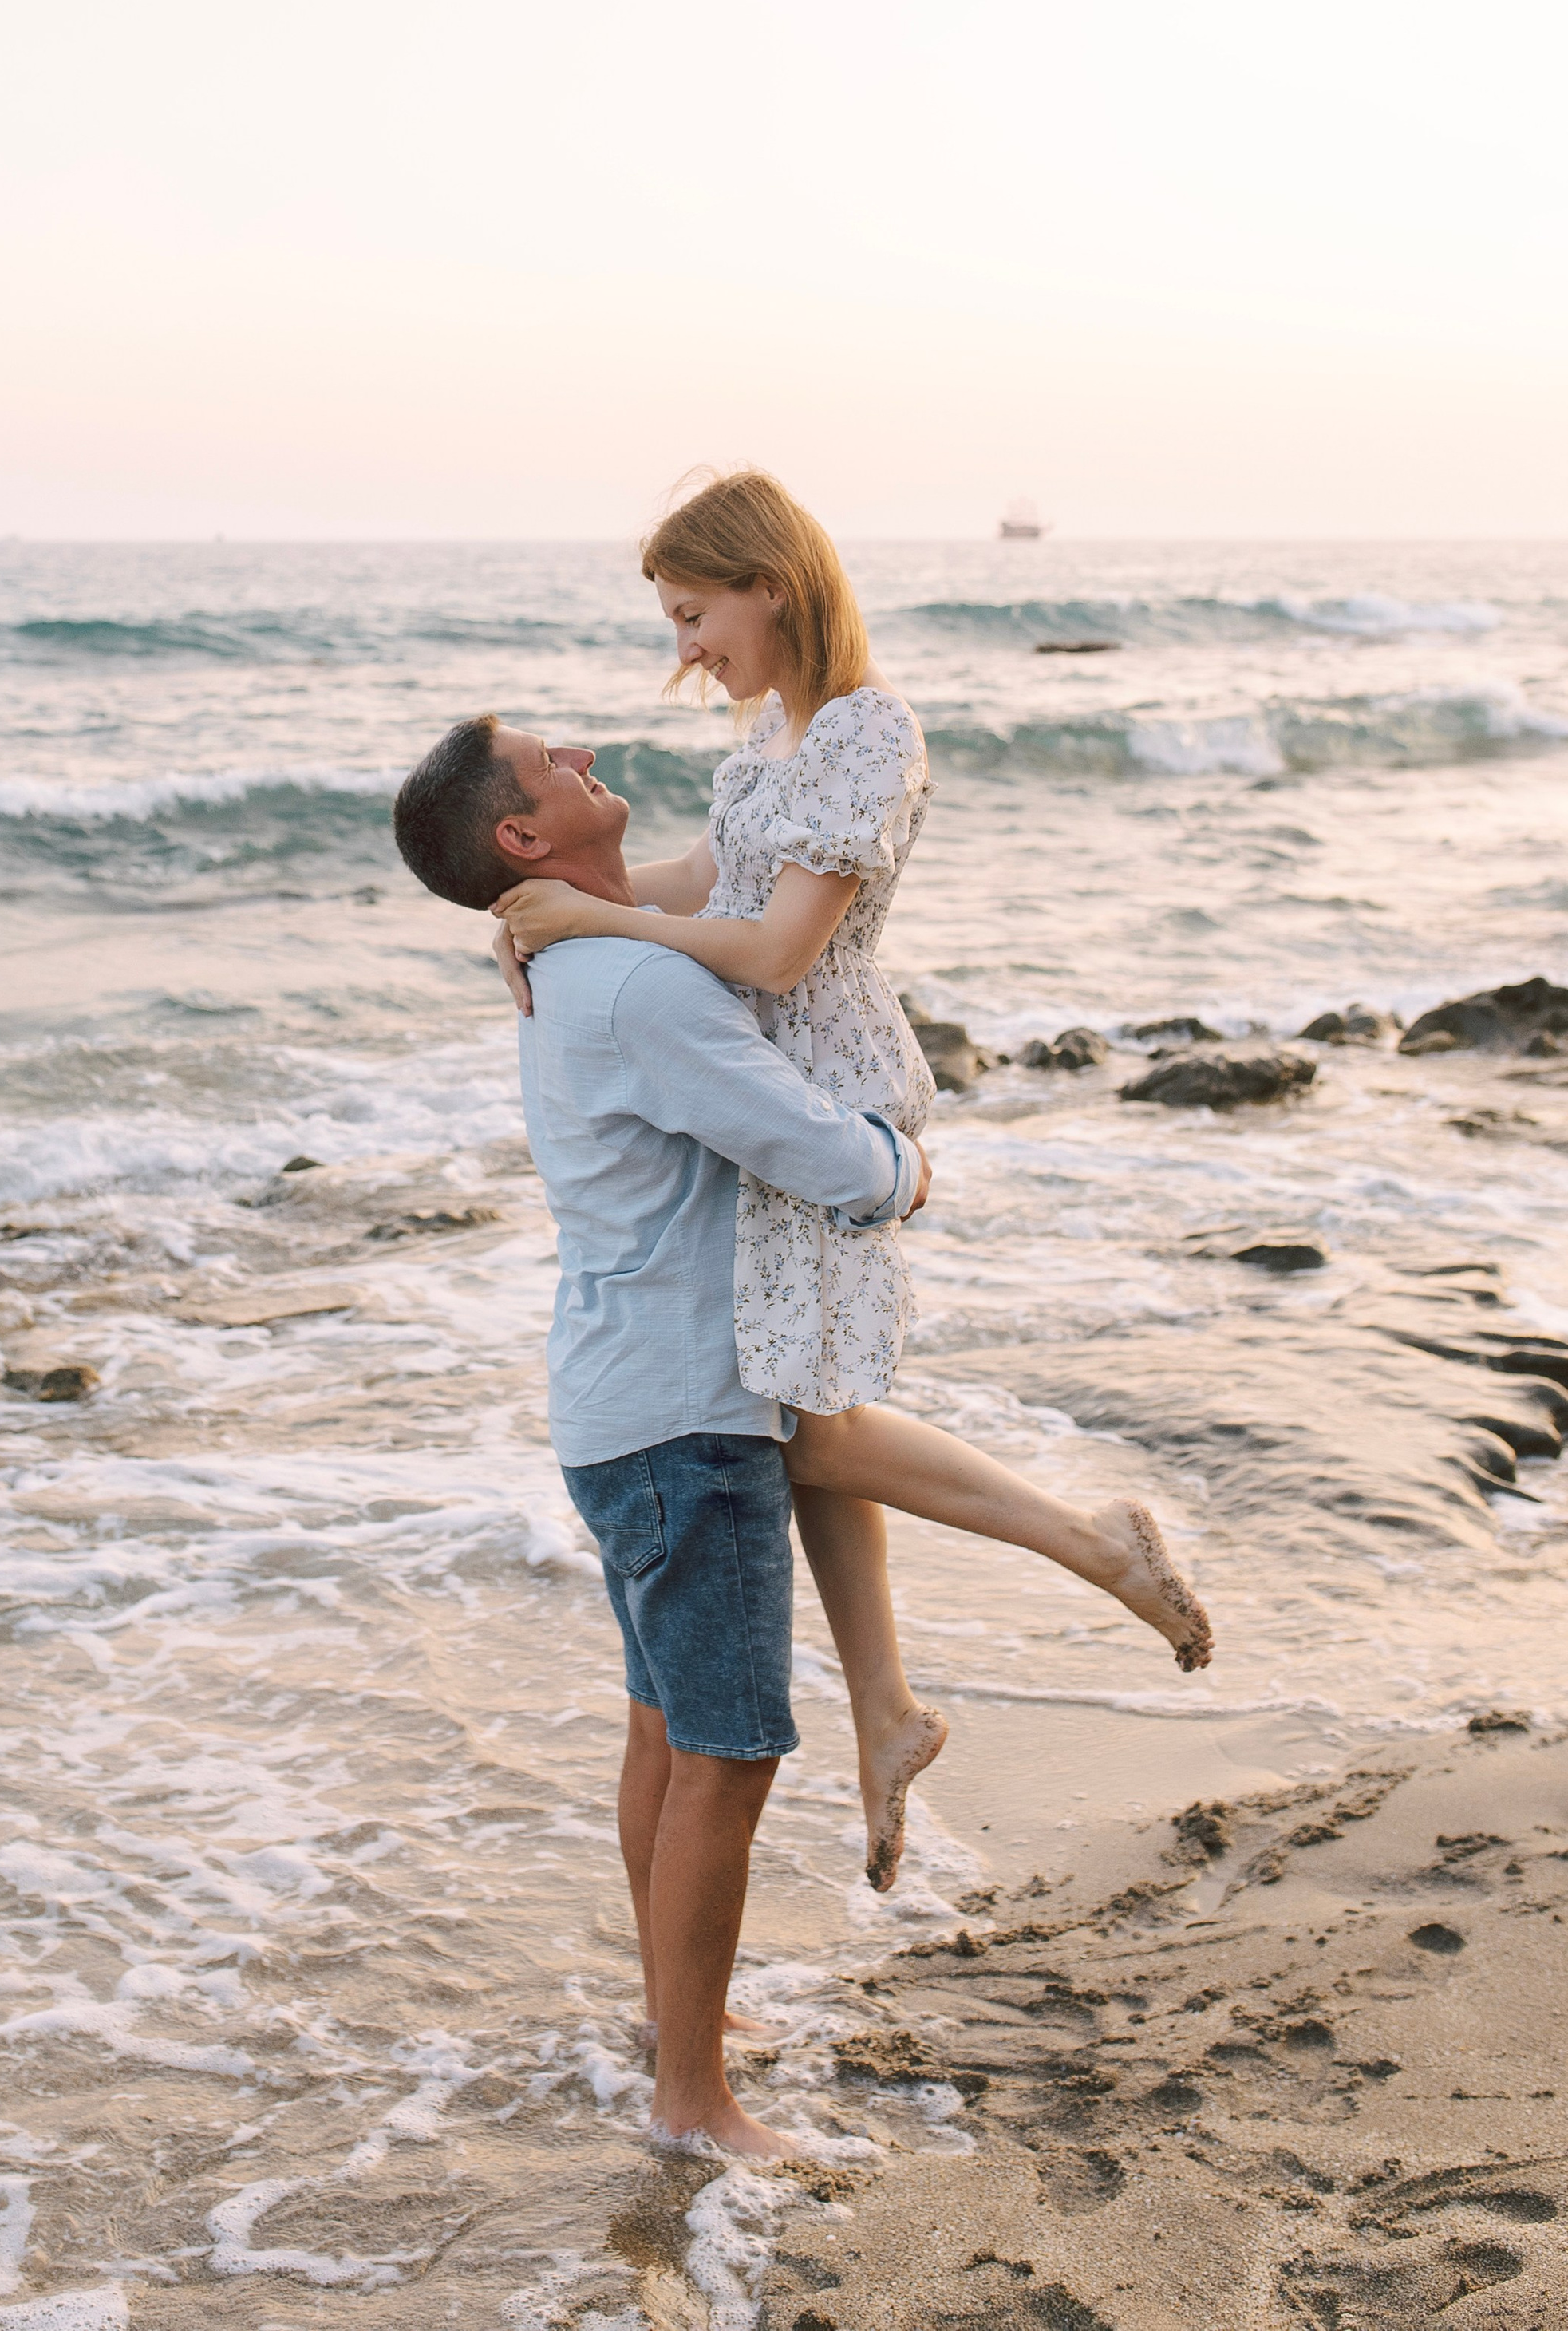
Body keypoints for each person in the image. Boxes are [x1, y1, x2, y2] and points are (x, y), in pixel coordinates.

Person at [490, 475, 1211, 1885]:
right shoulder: (779, 737)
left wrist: (583, 907)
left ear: (770, 582)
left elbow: (775, 955)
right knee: (809, 1398)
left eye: (697, 613)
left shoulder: (869, 730)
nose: (687, 646)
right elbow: (707, 880)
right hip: (771, 1087)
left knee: (801, 1424)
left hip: (825, 1088)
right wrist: (557, 918)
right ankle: (885, 1708)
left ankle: (1094, 1542)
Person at [392, 711, 926, 2156]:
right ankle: (695, 2100)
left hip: (622, 1404)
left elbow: (729, 900)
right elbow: (817, 1154)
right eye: (546, 756)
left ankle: (676, 2026)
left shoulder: (584, 959)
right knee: (731, 1751)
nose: (580, 748)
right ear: (523, 837)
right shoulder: (632, 984)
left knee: (667, 1736)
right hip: (686, 1421)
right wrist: (906, 1165)